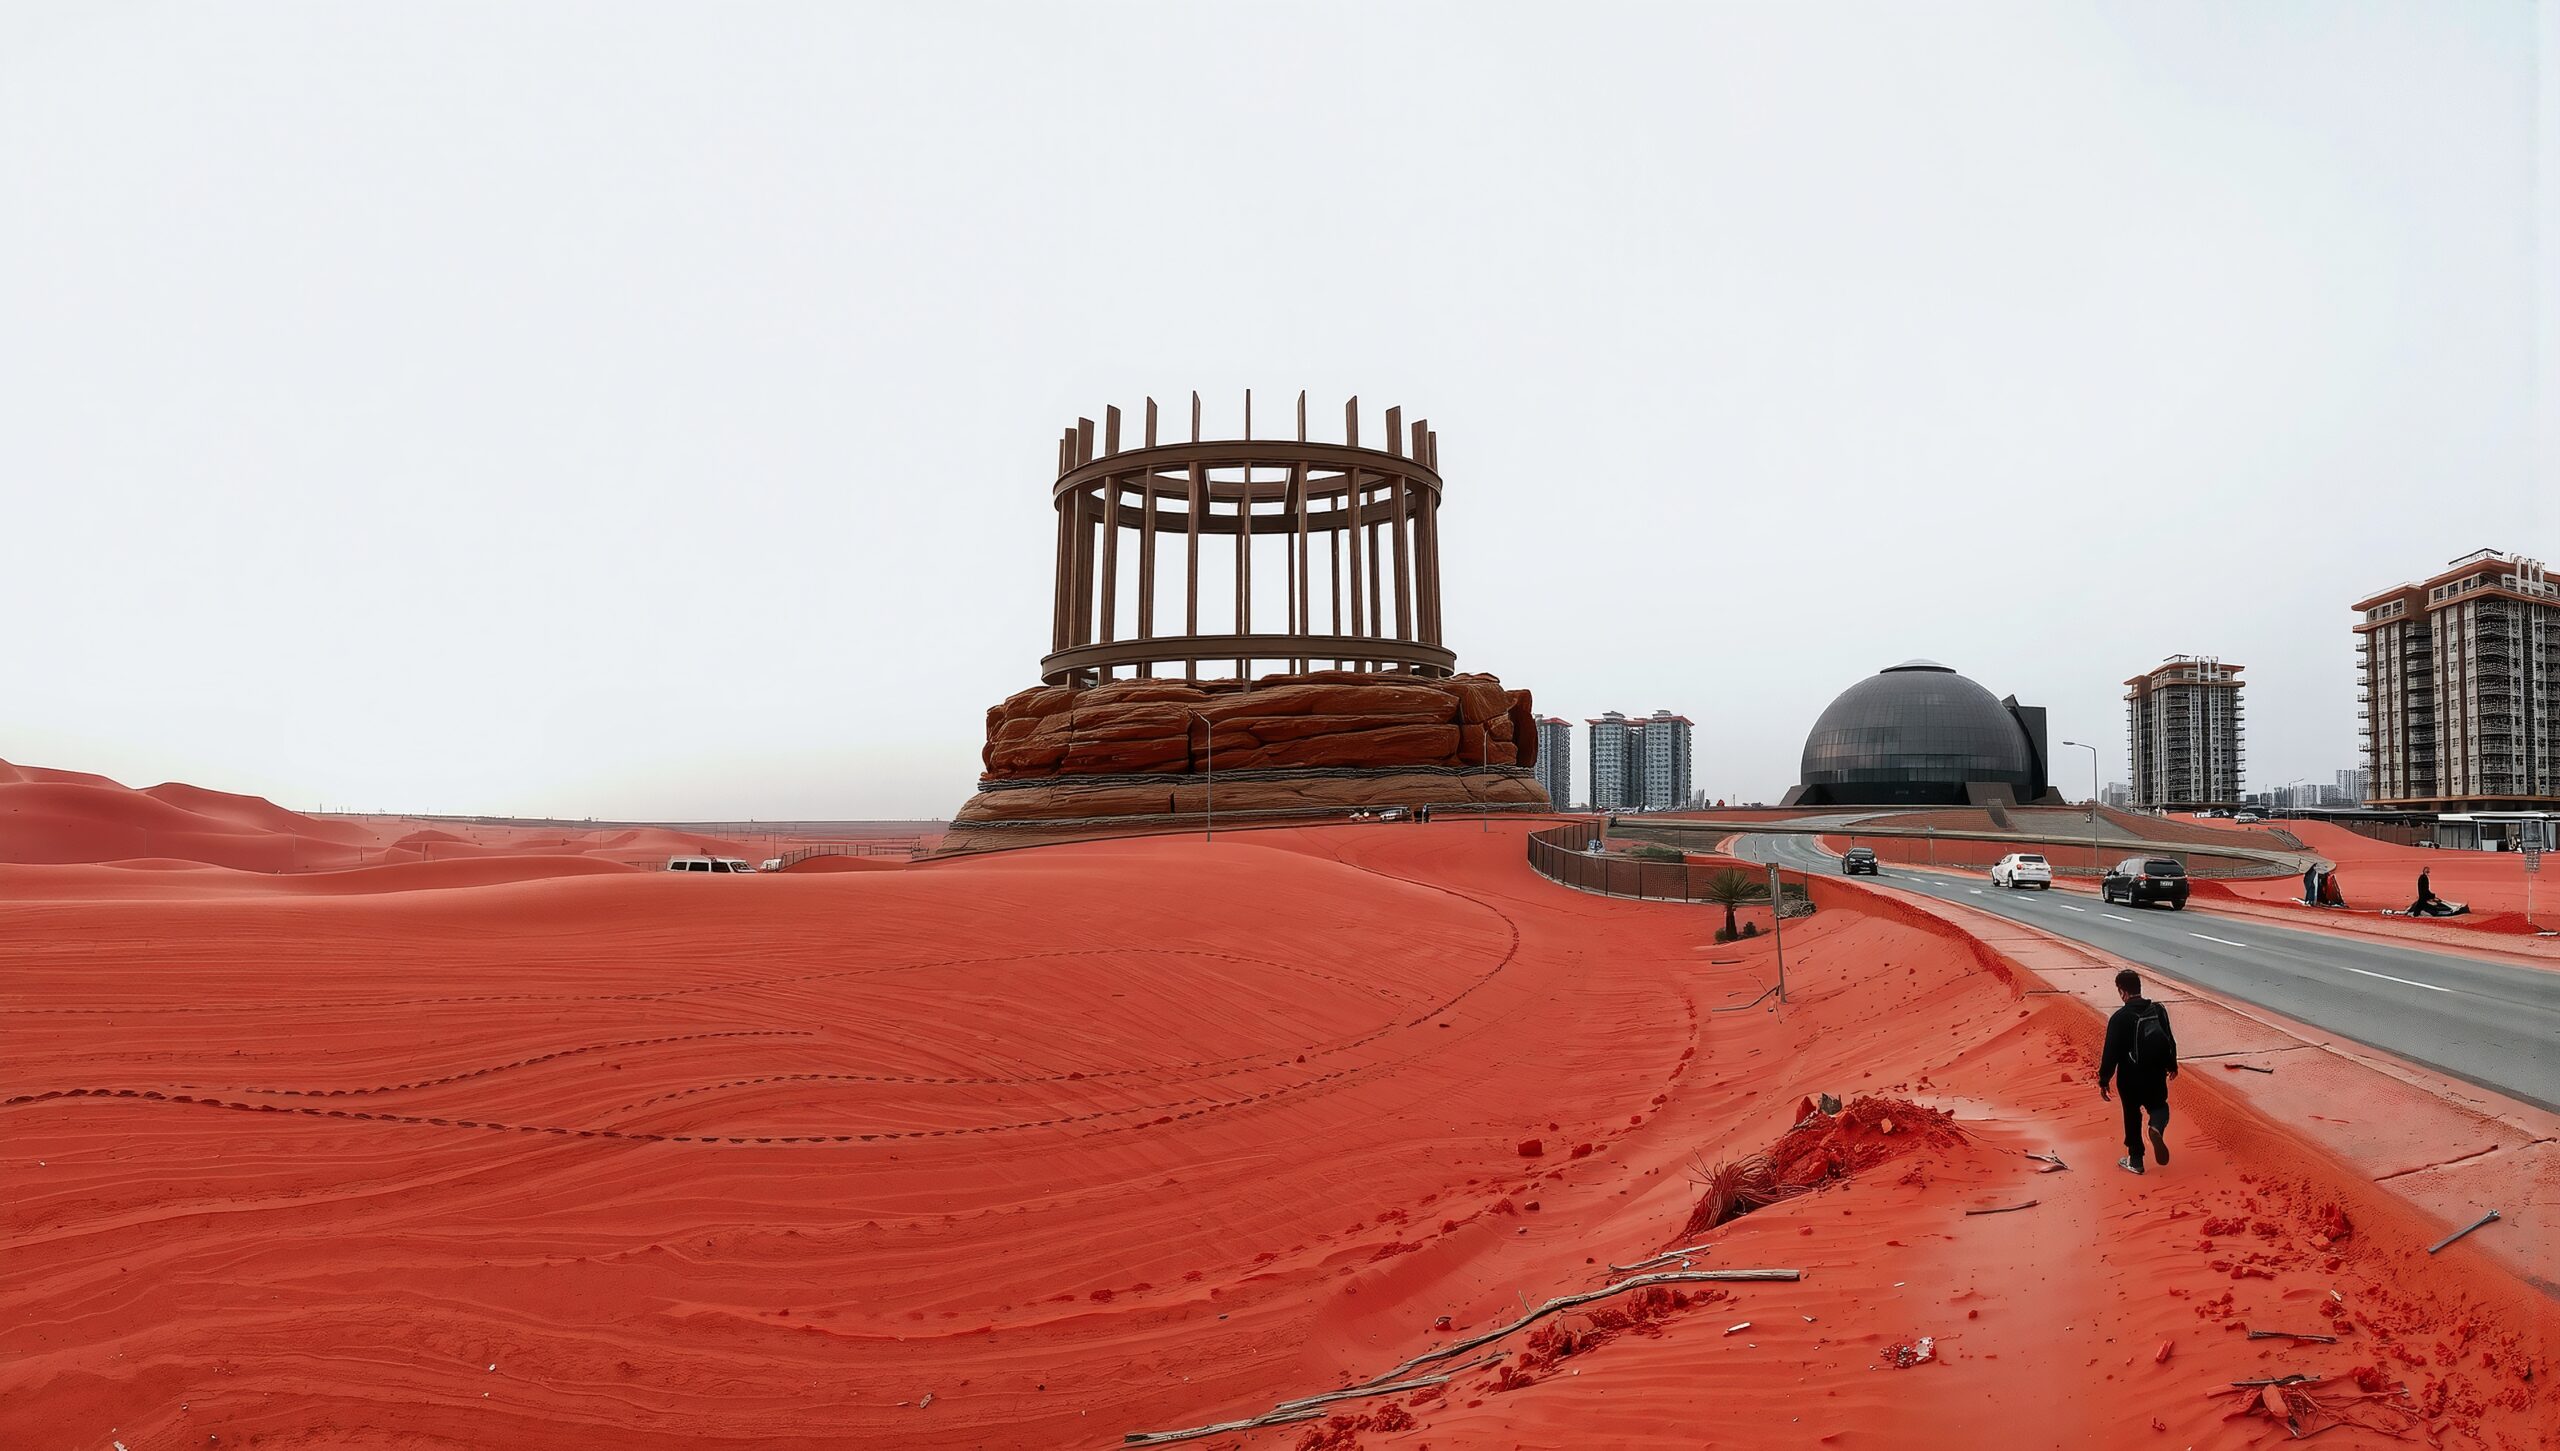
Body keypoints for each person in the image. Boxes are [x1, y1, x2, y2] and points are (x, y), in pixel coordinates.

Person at [2097, 967, 2178, 1176]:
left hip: (2129, 1079)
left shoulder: (2119, 1018)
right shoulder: (2158, 1011)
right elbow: (2169, 1040)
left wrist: (2104, 1079)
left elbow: (2110, 1053)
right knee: (2160, 1107)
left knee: (2132, 1116)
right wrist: (2172, 1065)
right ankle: (2156, 1128)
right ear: (2139, 988)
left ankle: (2136, 1161)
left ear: (2122, 991)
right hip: (2155, 1075)